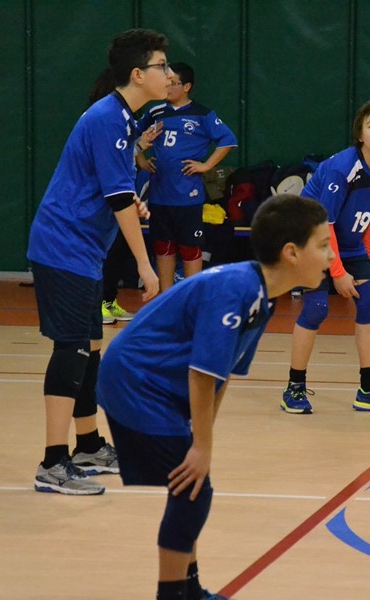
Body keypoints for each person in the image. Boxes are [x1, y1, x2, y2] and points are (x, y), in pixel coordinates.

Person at [96, 194, 334, 600]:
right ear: (291, 253)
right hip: (136, 382)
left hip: (156, 385)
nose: (331, 256)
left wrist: (200, 436)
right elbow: (202, 373)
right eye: (323, 245)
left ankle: (189, 590)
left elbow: (222, 375)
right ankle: (173, 594)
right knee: (194, 489)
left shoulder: (262, 297)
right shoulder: (237, 288)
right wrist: (201, 447)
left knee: (191, 486)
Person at [27, 28, 171, 495]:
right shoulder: (109, 118)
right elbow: (117, 199)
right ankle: (53, 463)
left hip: (84, 251)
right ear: (137, 74)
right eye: (162, 66)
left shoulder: (123, 120)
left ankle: (88, 446)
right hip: (63, 247)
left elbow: (115, 191)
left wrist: (133, 202)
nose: (169, 74)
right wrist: (145, 266)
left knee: (89, 349)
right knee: (71, 349)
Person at [281, 99, 370, 415]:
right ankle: (294, 388)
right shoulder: (342, 169)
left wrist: (366, 264)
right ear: (360, 134)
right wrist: (339, 273)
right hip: (311, 240)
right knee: (316, 307)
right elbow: (323, 225)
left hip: (349, 243)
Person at [137, 62, 237, 293]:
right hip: (159, 194)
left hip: (187, 195)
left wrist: (206, 165)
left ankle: (191, 298)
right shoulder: (156, 111)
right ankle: (166, 298)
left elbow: (228, 140)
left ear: (187, 87)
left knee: (190, 247)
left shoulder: (202, 114)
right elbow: (133, 133)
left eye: (174, 83)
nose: (168, 87)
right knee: (163, 246)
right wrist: (141, 159)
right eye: (166, 82)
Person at [87, 68, 164, 325]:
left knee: (119, 251)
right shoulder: (103, 120)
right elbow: (108, 163)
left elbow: (122, 158)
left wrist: (140, 144)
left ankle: (108, 300)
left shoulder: (124, 122)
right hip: (104, 205)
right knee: (107, 254)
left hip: (120, 201)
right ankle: (98, 304)